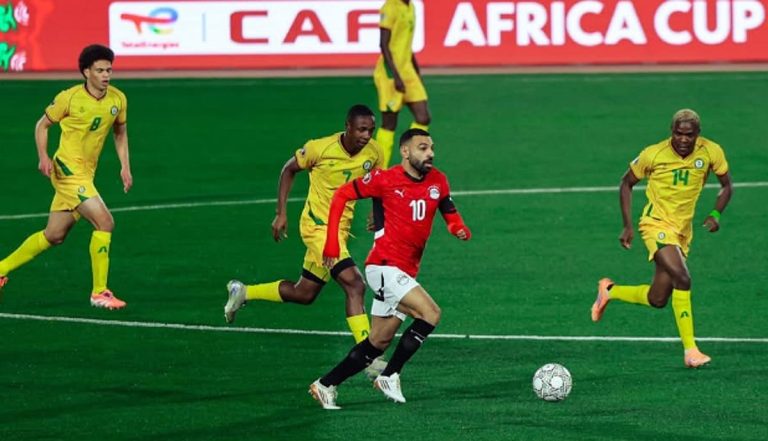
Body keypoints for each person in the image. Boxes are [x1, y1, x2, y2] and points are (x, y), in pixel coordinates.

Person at [308, 128, 471, 410]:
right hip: (383, 267)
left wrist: (458, 228)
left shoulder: (438, 180)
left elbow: (450, 214)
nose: (430, 153)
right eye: (423, 148)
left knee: (377, 342)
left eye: (432, 148)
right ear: (405, 152)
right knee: (430, 313)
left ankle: (325, 385)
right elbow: (341, 196)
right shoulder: (384, 179)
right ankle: (390, 375)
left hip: (405, 272)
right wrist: (332, 243)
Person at [224, 105, 386, 359]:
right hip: (317, 227)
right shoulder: (319, 148)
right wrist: (281, 213)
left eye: (371, 130)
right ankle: (369, 357)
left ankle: (243, 291)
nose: (367, 135)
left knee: (304, 293)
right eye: (361, 129)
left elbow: (379, 183)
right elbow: (288, 169)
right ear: (347, 126)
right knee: (355, 285)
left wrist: (377, 212)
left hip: (341, 231)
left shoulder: (374, 152)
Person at [591, 109, 733, 368]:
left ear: (698, 134)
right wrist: (627, 225)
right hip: (655, 224)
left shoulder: (711, 151)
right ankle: (691, 351)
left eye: (689, 135)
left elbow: (727, 186)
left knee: (658, 299)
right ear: (672, 132)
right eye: (678, 133)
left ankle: (609, 291)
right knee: (683, 278)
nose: (683, 139)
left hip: (682, 232)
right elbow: (626, 183)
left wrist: (716, 214)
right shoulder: (653, 154)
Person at [0, 44, 132, 309]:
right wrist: (43, 156)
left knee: (54, 235)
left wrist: (125, 167)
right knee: (105, 222)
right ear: (86, 72)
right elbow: (42, 125)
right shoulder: (69, 98)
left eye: (109, 70)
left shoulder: (118, 99)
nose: (106, 75)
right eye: (100, 70)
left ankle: (1, 269)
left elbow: (120, 133)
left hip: (86, 174)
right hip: (67, 171)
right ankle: (99, 292)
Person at [373, 0, 431, 167]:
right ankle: (380, 169)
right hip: (390, 73)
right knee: (389, 124)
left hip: (407, 71)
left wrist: (416, 71)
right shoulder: (390, 7)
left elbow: (405, 44)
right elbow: (384, 45)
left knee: (423, 117)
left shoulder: (411, 6)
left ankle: (412, 161)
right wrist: (396, 76)